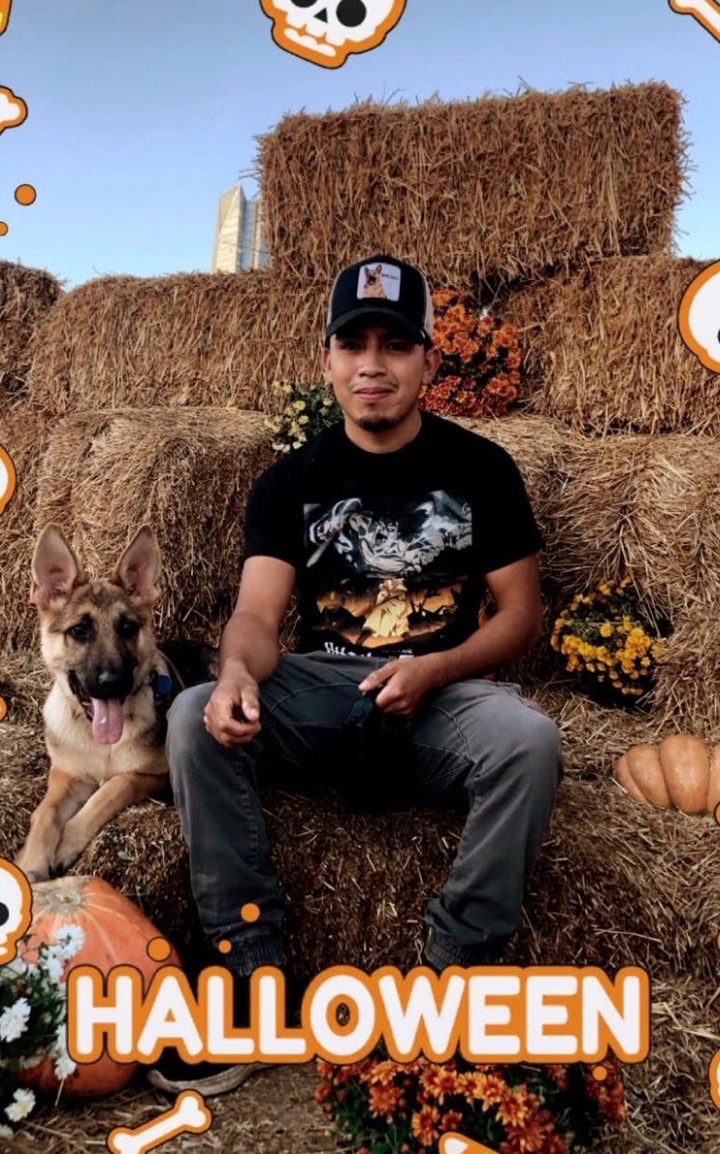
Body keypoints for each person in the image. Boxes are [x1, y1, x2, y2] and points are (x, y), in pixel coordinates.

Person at [149, 254, 563, 1096]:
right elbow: (258, 617)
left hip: (442, 696)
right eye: (354, 344)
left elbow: (521, 617)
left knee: (530, 741)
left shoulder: (482, 470)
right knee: (192, 715)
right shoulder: (289, 483)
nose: (373, 364)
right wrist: (235, 676)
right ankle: (252, 981)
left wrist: (437, 667)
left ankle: (451, 986)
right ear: (328, 361)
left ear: (428, 363)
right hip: (324, 691)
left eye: (395, 345)